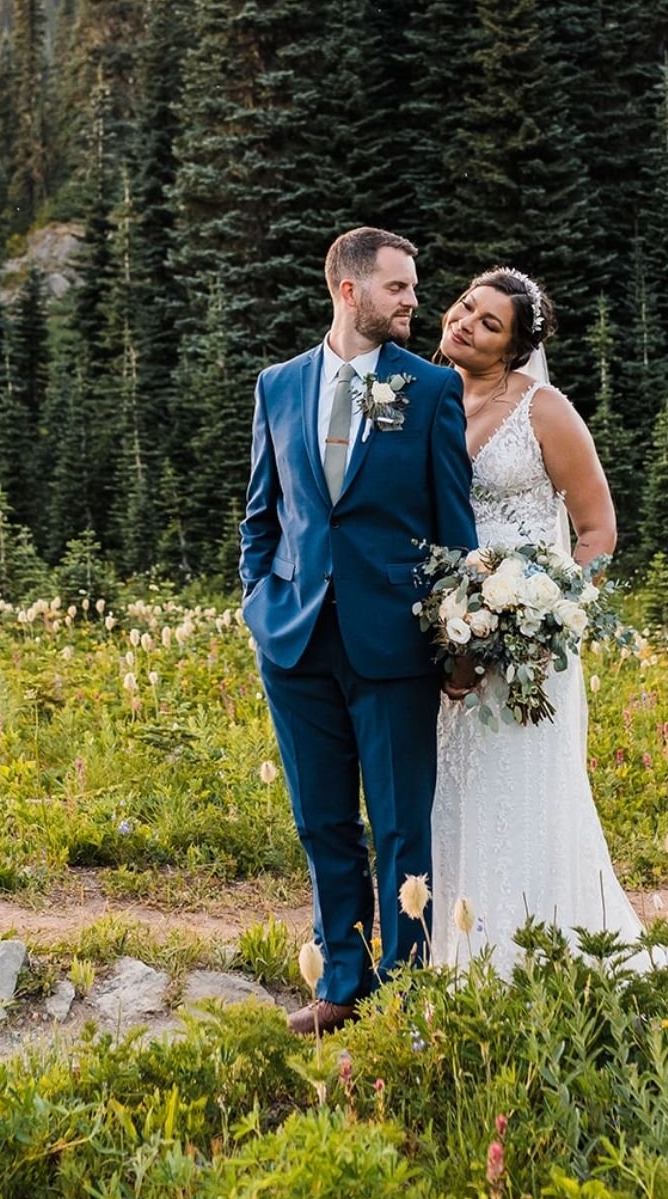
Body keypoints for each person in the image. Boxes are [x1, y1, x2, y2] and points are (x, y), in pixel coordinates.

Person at [240, 226, 477, 1034]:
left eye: (413, 287)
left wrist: (456, 646)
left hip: (395, 648)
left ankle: (407, 990)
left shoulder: (431, 390)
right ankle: (341, 983)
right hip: (297, 642)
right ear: (349, 292)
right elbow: (260, 517)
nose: (416, 301)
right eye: (399, 287)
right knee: (321, 819)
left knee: (402, 822)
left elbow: (457, 533)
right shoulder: (277, 385)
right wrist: (259, 604)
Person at [431, 266, 646, 976]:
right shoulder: (427, 396)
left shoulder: (543, 410)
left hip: (529, 651)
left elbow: (596, 530)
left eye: (489, 323)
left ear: (515, 349)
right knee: (452, 789)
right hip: (450, 639)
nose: (465, 322)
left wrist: (547, 617)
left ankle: (534, 962)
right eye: (465, 307)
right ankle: (455, 959)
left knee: (522, 795)